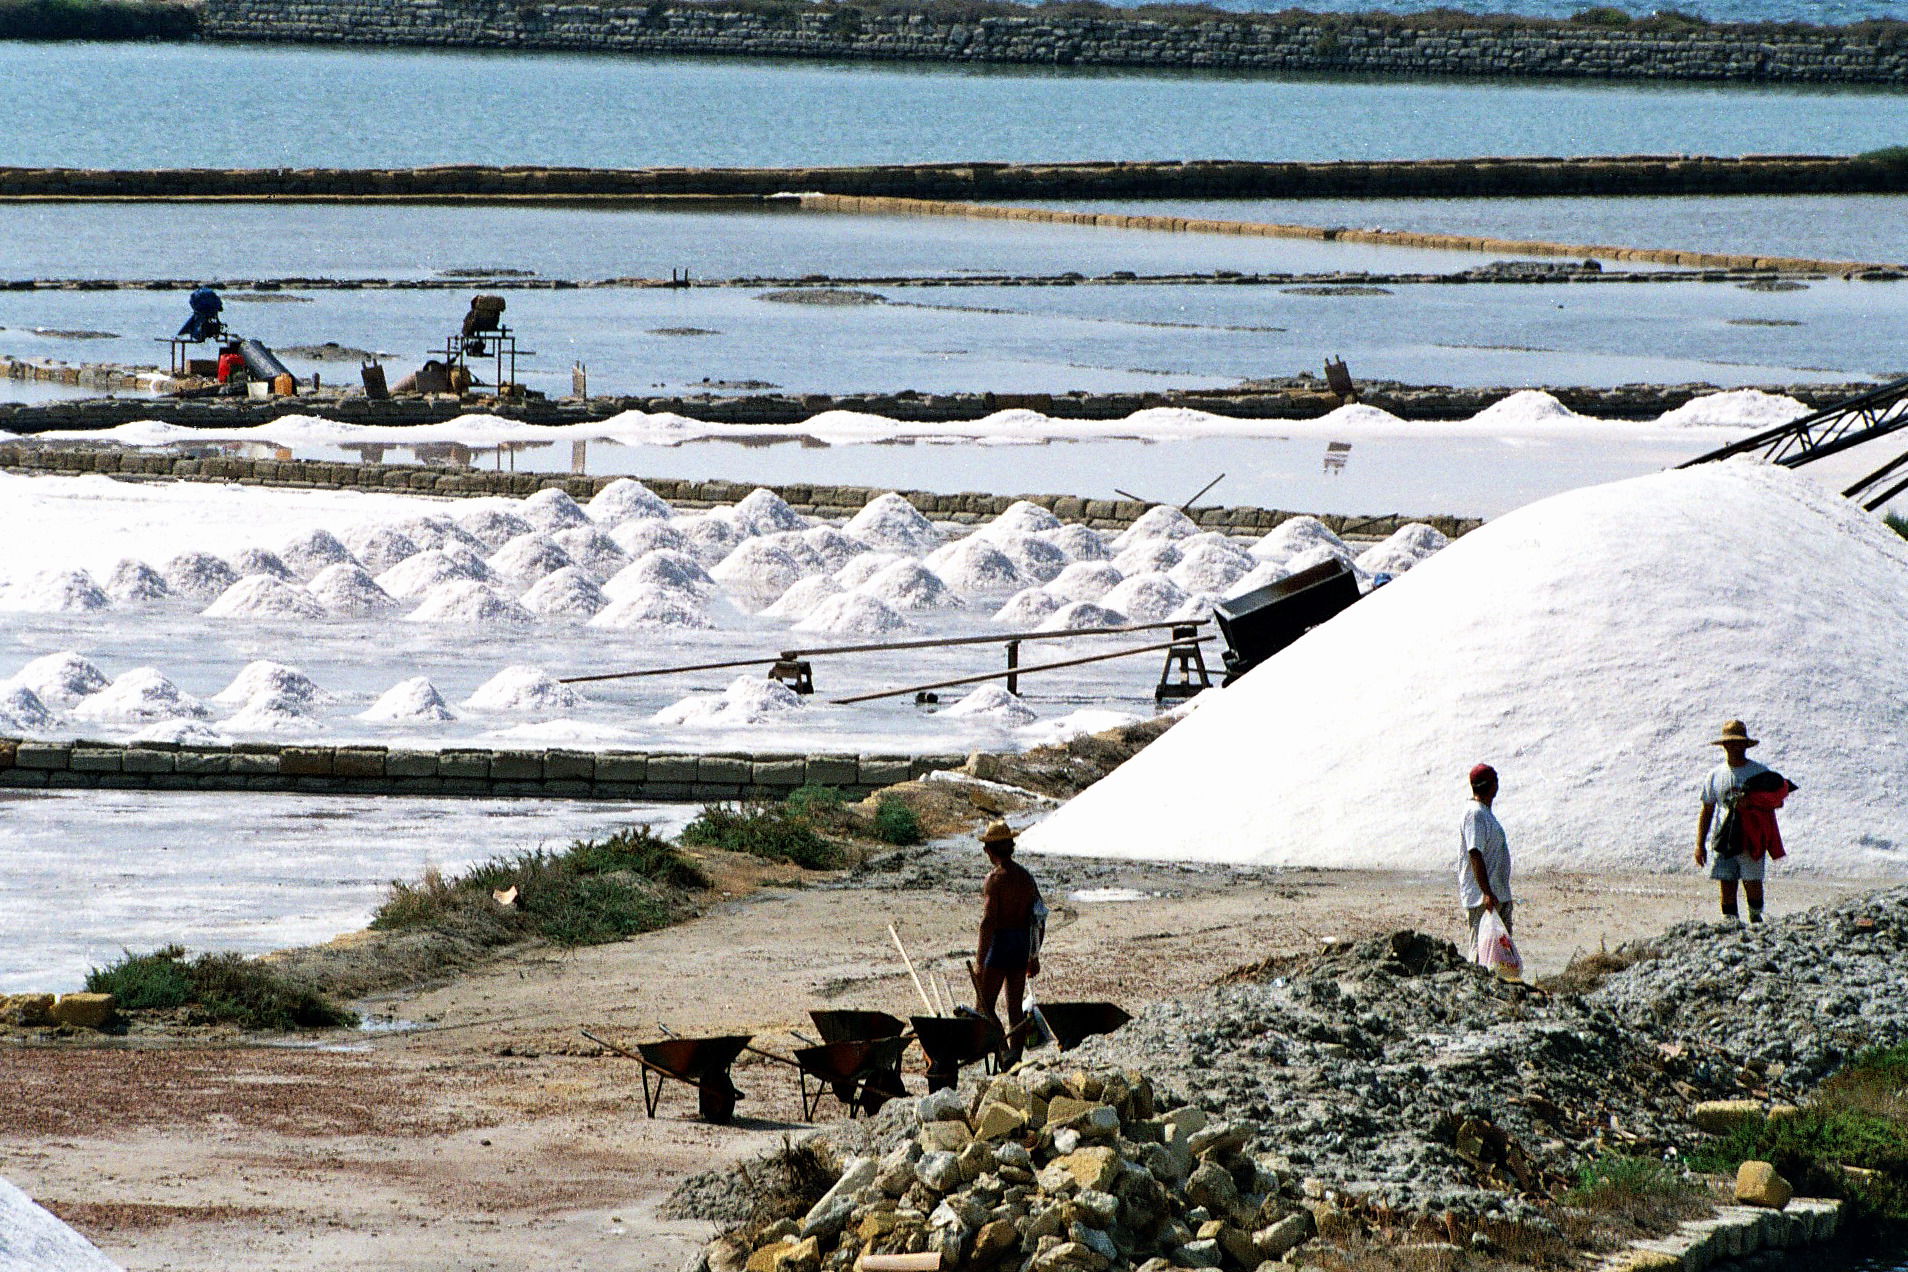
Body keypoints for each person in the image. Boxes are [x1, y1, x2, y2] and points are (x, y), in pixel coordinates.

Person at [1695, 719, 1794, 926]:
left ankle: (1756, 922)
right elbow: (1707, 809)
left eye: (1738, 742)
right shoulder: (1715, 775)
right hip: (1724, 837)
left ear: (1745, 745)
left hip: (1752, 837)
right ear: (1724, 746)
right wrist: (1699, 844)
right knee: (1726, 882)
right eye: (1730, 743)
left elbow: (1776, 802)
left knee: (1752, 882)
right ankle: (1730, 925)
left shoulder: (1759, 772)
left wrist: (1751, 803)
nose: (1733, 746)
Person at [974, 821, 1042, 1046]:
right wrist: (1034, 955)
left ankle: (1002, 1047)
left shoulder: (995, 879)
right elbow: (1038, 919)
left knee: (984, 1006)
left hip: (1000, 944)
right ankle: (1014, 1057)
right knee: (1014, 1009)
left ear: (990, 850)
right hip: (1020, 943)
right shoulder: (1025, 877)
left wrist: (979, 962)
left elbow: (988, 922)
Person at [1458, 763, 1512, 956]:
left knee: (1502, 953)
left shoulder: (1484, 812)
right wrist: (1486, 893)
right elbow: (1475, 853)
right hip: (1484, 899)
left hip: (1498, 894)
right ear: (1491, 786)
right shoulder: (1475, 814)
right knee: (1482, 953)